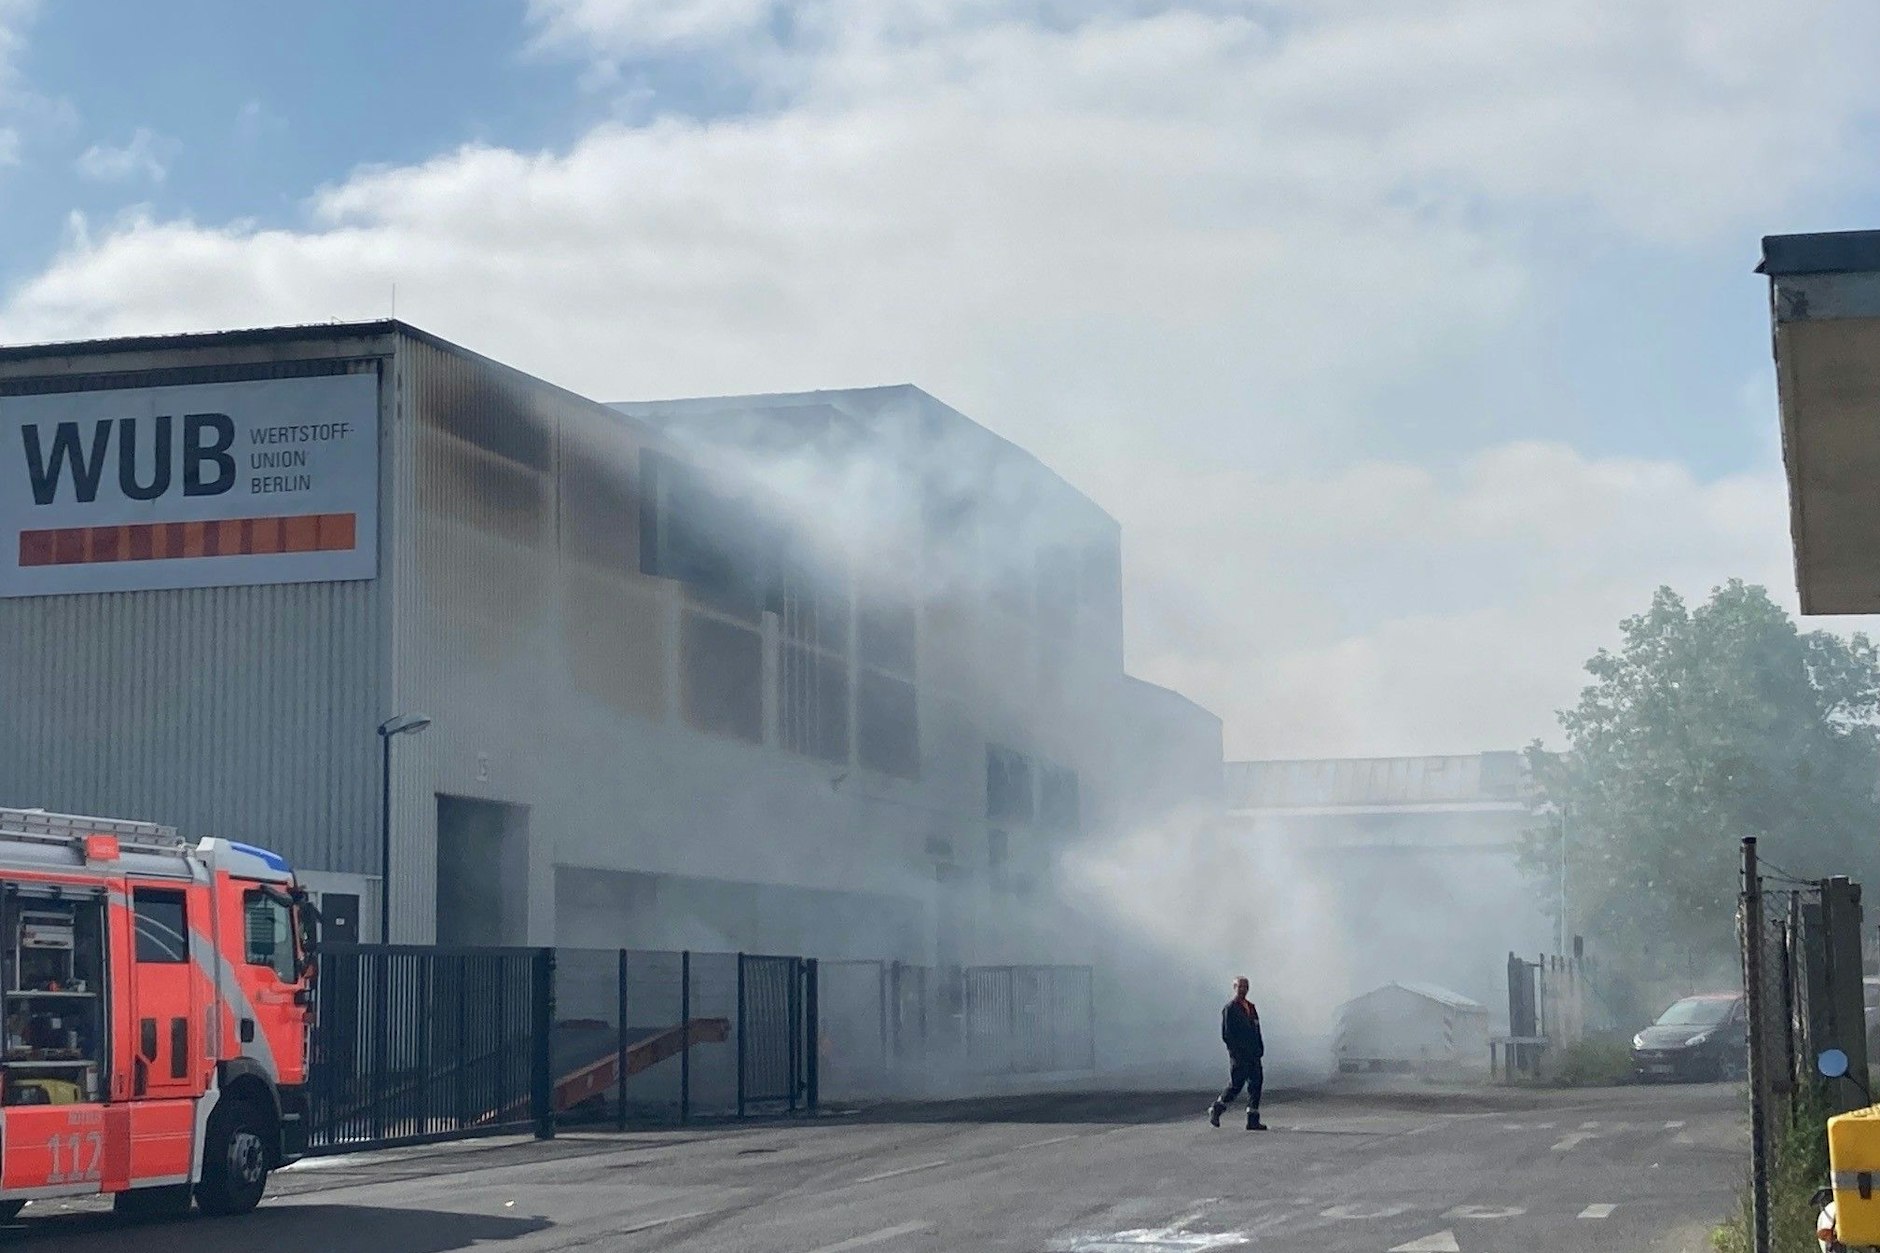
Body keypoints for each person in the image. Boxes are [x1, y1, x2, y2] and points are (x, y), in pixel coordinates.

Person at [1209, 975, 1266, 1130]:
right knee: (1236, 1085)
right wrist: (1236, 1052)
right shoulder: (1230, 1009)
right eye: (1240, 987)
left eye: (1245, 987)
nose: (1243, 989)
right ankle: (1217, 1108)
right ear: (1234, 988)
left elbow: (1256, 1029)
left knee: (1256, 1084)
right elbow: (1227, 1035)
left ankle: (1252, 1119)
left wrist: (1260, 1048)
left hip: (1253, 1054)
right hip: (1240, 1055)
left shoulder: (1251, 1007)